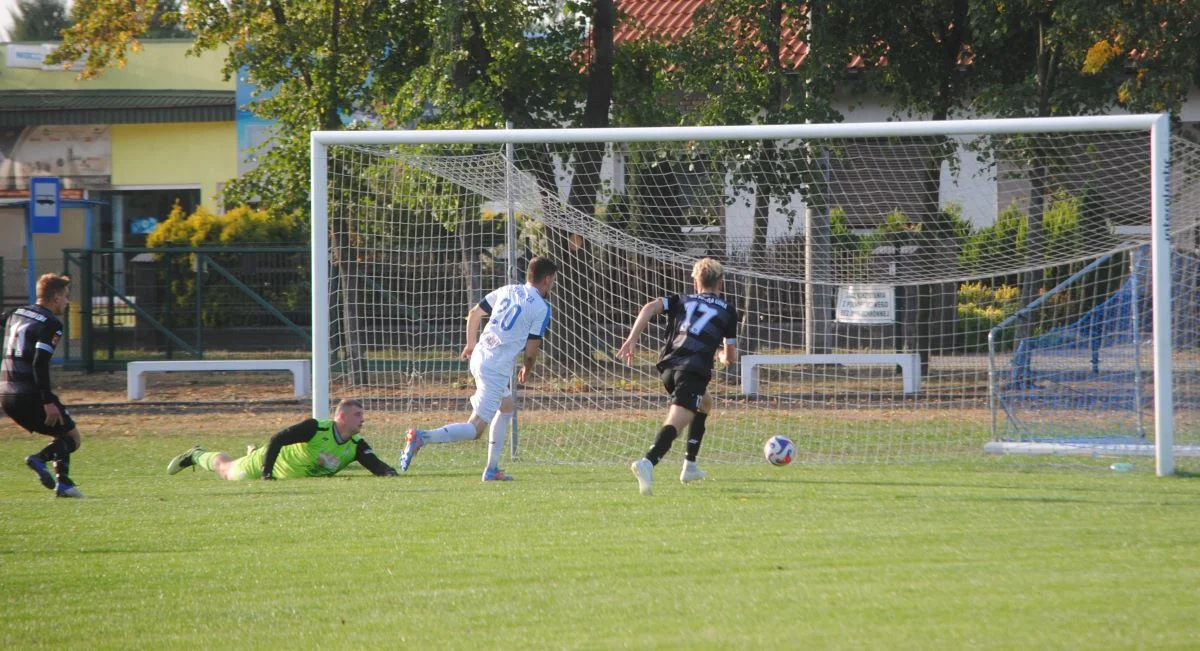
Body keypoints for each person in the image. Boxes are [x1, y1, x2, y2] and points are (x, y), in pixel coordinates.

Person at [400, 257, 557, 481]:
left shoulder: (508, 289)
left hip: (481, 356)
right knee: (475, 429)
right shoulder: (541, 308)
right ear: (547, 279)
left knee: (507, 407)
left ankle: (492, 469)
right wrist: (527, 369)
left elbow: (475, 313)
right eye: (552, 281)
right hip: (495, 368)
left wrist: (470, 344)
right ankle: (422, 437)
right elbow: (531, 352)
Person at [617, 257, 739, 496]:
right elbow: (731, 357)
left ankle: (690, 466)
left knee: (705, 403)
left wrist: (631, 340)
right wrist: (721, 356)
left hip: (668, 367)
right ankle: (648, 462)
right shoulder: (728, 311)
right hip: (692, 370)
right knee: (676, 422)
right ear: (721, 284)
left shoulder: (681, 300)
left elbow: (648, 307)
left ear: (696, 283)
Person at [166, 398, 397, 479]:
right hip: (269, 465)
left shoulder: (356, 445)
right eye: (358, 415)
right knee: (227, 471)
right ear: (342, 417)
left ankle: (252, 452)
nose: (363, 419)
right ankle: (196, 455)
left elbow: (375, 465)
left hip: (279, 468)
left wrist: (390, 473)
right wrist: (267, 472)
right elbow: (277, 440)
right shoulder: (315, 428)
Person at [2, 273, 85, 498]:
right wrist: (47, 400)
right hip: (29, 393)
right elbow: (39, 363)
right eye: (66, 297)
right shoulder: (51, 323)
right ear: (56, 297)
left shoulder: (15, 313)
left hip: (5, 393)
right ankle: (38, 459)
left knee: (61, 431)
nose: (67, 302)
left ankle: (64, 484)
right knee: (72, 438)